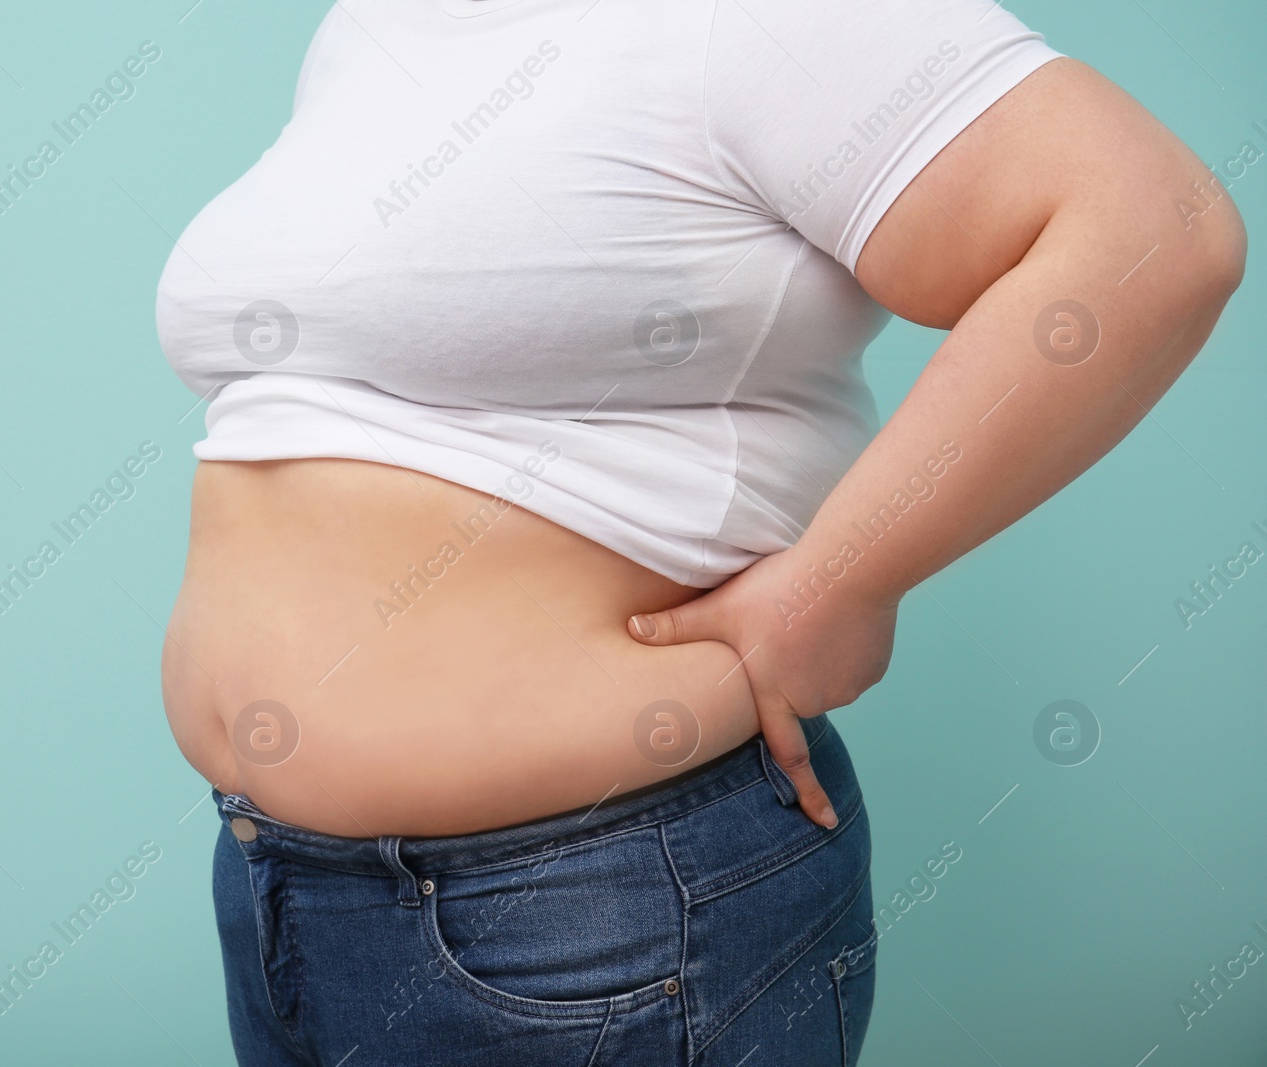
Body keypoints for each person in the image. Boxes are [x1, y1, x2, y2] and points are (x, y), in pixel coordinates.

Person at [153, 1, 1246, 1063]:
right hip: (279, 889)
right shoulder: (370, 28)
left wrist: (840, 582)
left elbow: (1154, 230)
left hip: (589, 913)